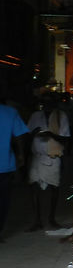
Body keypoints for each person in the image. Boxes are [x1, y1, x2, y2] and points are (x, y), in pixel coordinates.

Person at [26, 91, 70, 230]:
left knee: (54, 188)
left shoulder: (60, 116)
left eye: (50, 102)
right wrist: (33, 134)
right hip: (37, 157)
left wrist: (50, 134)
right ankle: (37, 219)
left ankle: (51, 218)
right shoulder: (35, 116)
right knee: (34, 187)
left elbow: (66, 139)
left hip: (53, 157)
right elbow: (27, 135)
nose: (47, 105)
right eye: (45, 103)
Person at [0, 84, 29, 241]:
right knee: (3, 200)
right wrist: (21, 155)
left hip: (5, 164)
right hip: (5, 164)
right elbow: (19, 136)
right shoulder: (10, 112)